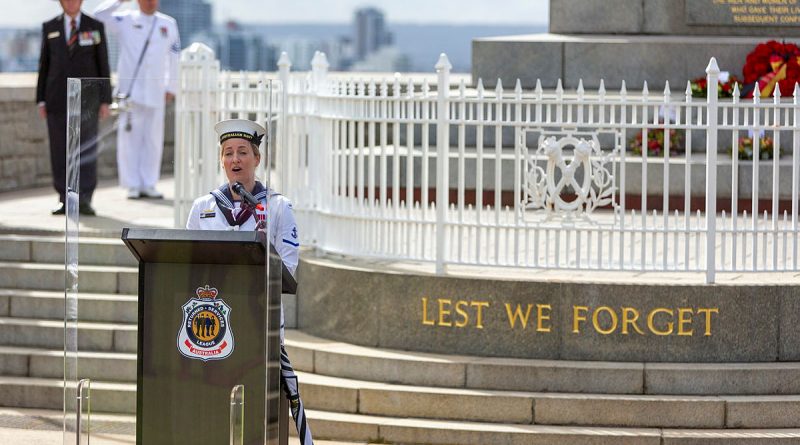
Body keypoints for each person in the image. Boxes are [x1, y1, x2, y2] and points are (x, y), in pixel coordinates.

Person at [186, 119, 312, 445]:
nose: (235, 159)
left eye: (243, 152)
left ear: (257, 159)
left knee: (259, 406)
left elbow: (288, 268)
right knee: (210, 404)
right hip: (212, 327)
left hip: (260, 324)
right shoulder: (203, 209)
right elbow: (186, 268)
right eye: (228, 153)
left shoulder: (277, 207)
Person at [94, 0, 180, 200]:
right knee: (129, 140)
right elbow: (99, 15)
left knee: (153, 139)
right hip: (130, 92)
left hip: (156, 91)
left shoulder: (168, 23)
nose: (149, 2)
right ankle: (131, 184)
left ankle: (149, 183)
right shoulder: (125, 19)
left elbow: (174, 58)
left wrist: (171, 87)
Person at [36, 0, 111, 216]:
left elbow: (103, 63)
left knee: (86, 149)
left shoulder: (94, 26)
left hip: (88, 100)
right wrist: (41, 99)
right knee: (60, 150)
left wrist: (105, 99)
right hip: (56, 100)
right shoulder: (50, 27)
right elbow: (44, 65)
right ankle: (64, 197)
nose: (70, 2)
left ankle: (85, 198)